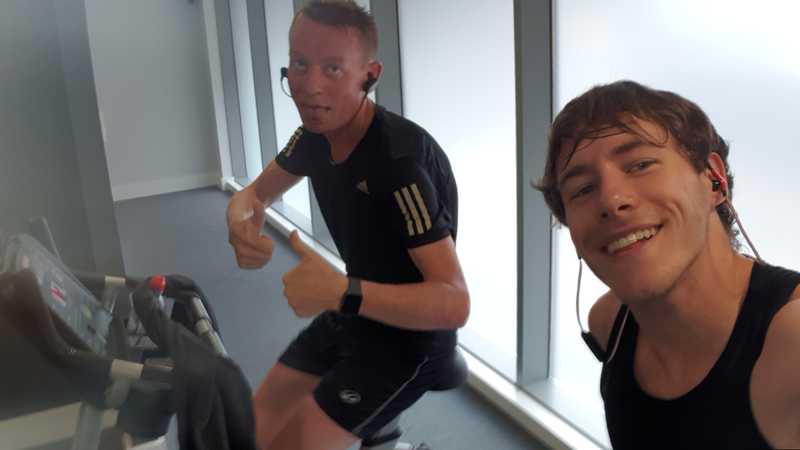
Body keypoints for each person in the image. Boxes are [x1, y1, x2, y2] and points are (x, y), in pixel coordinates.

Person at [225, 2, 469, 449]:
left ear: (368, 76)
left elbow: (455, 303)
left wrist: (343, 291)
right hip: (354, 311)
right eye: (300, 64)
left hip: (411, 341)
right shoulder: (314, 136)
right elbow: (254, 195)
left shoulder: (397, 163)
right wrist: (239, 221)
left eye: (333, 68)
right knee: (251, 427)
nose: (310, 86)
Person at [535, 80, 800, 449]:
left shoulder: (791, 340)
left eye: (640, 165)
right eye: (582, 189)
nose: (611, 200)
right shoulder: (609, 322)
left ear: (713, 180)